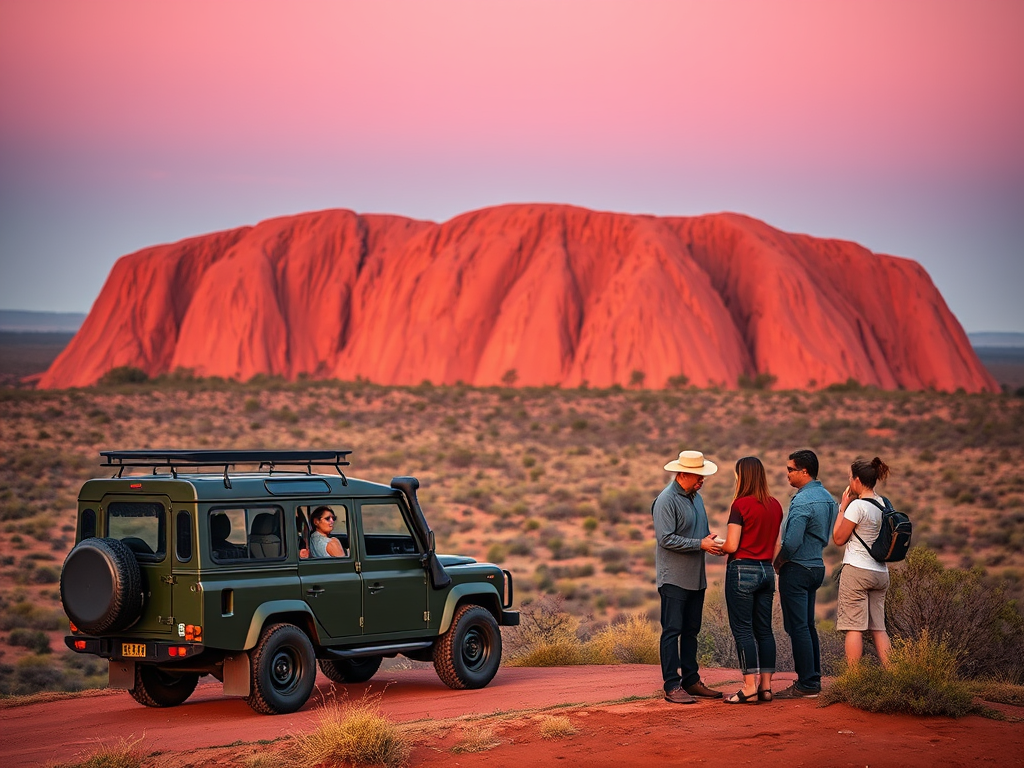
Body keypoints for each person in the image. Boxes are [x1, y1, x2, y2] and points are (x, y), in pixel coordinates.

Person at [653, 450, 725, 704]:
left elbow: (701, 536)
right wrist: (700, 544)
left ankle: (691, 681)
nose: (702, 480)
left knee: (692, 630)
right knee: (672, 631)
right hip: (673, 578)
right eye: (698, 475)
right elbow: (666, 538)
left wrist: (713, 545)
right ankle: (672, 685)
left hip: (696, 578)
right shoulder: (666, 500)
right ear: (682, 473)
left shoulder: (697, 498)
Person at [773, 449, 838, 699]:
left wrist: (778, 562)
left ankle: (807, 684)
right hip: (816, 566)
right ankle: (813, 679)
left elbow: (791, 542)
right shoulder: (827, 498)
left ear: (805, 471)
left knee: (797, 626)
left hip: (797, 568)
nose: (787, 474)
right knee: (807, 625)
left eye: (790, 469)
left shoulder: (802, 501)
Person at [720, 457, 783, 704]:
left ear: (742, 476)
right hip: (767, 571)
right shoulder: (776, 505)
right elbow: (776, 544)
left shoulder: (740, 505)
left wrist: (716, 546)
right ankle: (766, 688)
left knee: (743, 630)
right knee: (764, 630)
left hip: (742, 570)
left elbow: (732, 545)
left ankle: (748, 687)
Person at [832, 456, 892, 667]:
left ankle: (854, 680)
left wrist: (842, 508)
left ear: (857, 480)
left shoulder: (857, 507)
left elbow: (838, 538)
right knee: (879, 628)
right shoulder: (884, 504)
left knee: (854, 627)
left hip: (857, 570)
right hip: (881, 572)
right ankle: (895, 676)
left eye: (850, 477)